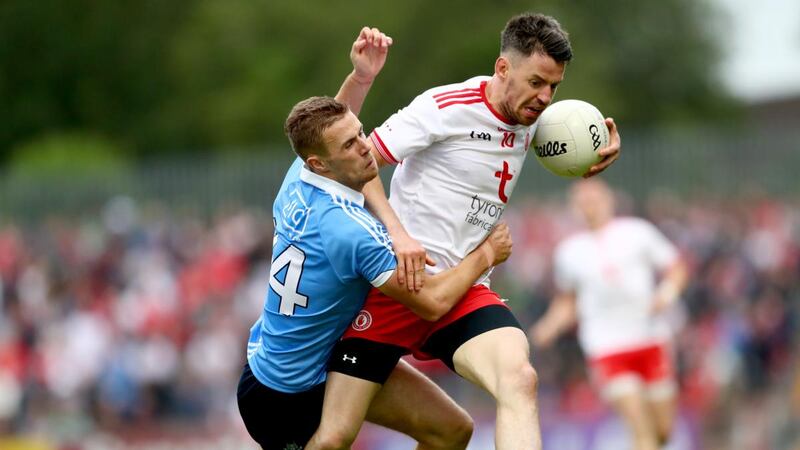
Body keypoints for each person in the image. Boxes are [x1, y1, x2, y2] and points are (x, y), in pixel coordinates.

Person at [309, 12, 621, 450]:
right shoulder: (444, 107)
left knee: (519, 379)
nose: (545, 97)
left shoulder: (537, 120)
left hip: (463, 291)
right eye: (536, 82)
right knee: (336, 438)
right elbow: (360, 165)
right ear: (502, 68)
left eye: (554, 87)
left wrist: (597, 149)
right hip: (396, 287)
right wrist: (397, 234)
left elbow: (572, 139)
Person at [237, 27, 515, 450]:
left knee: (451, 430)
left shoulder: (301, 175)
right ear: (322, 163)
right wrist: (485, 255)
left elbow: (332, 123)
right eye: (351, 145)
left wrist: (361, 77)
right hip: (284, 394)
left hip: (312, 358)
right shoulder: (352, 231)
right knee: (333, 441)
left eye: (360, 133)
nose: (366, 147)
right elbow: (434, 302)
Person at [529, 178, 688, 450]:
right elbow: (568, 300)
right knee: (639, 423)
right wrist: (549, 326)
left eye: (594, 200)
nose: (589, 207)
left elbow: (676, 267)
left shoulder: (637, 232)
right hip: (606, 345)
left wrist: (666, 294)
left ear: (609, 200)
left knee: (663, 431)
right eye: (582, 202)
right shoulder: (569, 252)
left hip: (650, 337)